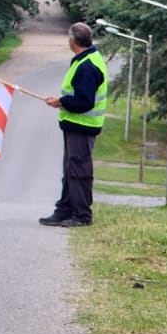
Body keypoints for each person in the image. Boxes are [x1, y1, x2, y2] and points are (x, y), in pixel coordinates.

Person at [39, 21, 108, 228]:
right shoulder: (84, 59)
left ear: (72, 41)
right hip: (75, 125)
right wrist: (62, 101)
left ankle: (81, 215)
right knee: (70, 170)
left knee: (78, 170)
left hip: (82, 126)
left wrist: (61, 102)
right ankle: (64, 210)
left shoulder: (87, 66)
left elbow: (84, 102)